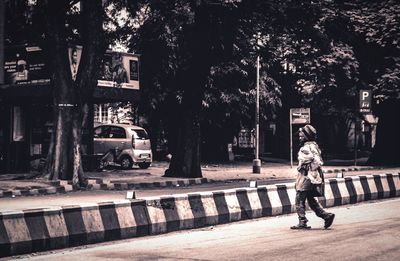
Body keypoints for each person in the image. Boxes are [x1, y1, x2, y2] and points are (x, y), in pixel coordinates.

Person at [291, 124, 335, 230]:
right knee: (311, 199)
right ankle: (326, 216)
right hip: (313, 177)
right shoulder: (314, 146)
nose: (300, 138)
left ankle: (302, 222)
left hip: (306, 177)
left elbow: (311, 160)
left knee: (299, 199)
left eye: (302, 136)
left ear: (306, 136)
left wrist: (304, 166)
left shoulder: (305, 148)